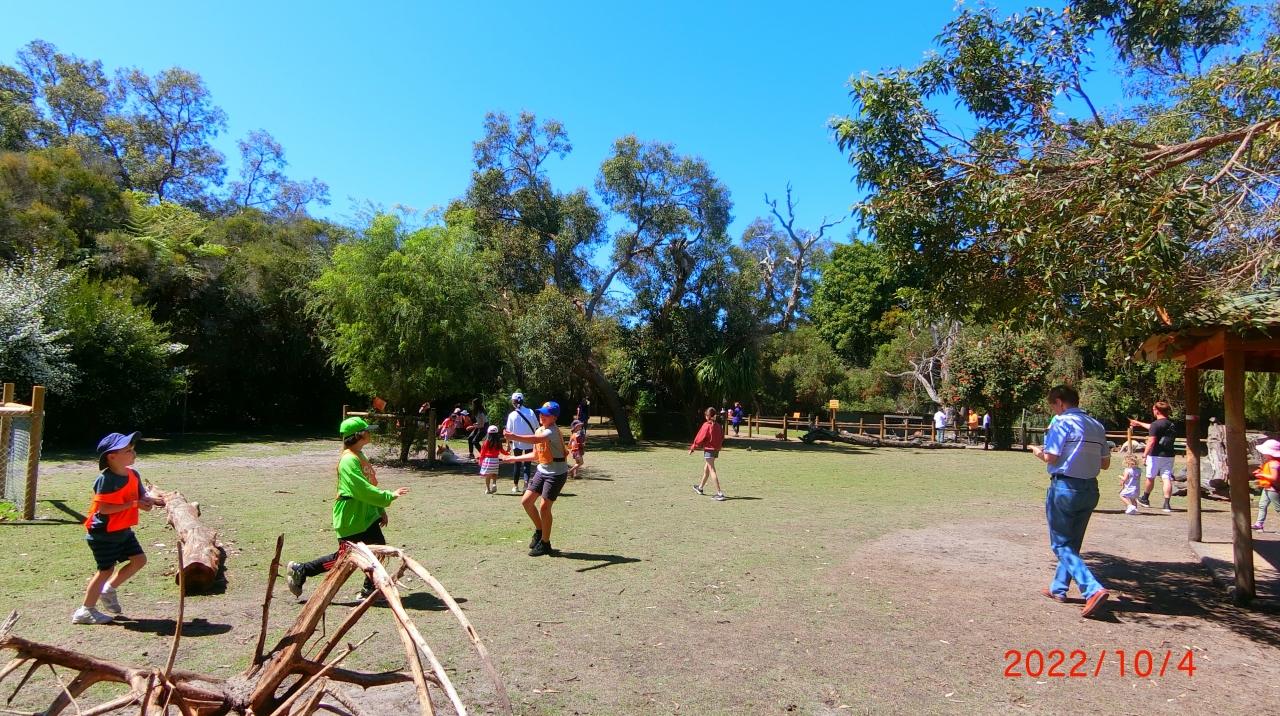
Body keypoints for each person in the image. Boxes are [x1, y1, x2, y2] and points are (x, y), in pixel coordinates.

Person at [287, 417, 409, 600]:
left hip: (366, 515)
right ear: (359, 435)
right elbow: (361, 489)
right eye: (367, 430)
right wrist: (388, 496)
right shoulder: (348, 460)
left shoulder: (360, 455)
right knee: (344, 559)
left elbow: (370, 484)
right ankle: (302, 570)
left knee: (377, 549)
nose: (370, 433)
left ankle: (369, 589)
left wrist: (379, 510)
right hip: (351, 517)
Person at [1030, 385, 1111, 618]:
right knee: (1072, 542)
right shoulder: (1096, 425)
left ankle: (1092, 589)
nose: (1054, 411)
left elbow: (1051, 456)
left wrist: (1038, 452)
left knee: (1060, 544)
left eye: (1053, 406)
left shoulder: (1062, 423)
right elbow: (1105, 463)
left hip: (1065, 487)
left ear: (1060, 402)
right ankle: (1059, 587)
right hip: (1090, 489)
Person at [73, 432, 166, 625]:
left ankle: (108, 589)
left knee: (139, 560)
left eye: (133, 449)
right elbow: (104, 509)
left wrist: (154, 501)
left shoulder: (133, 474)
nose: (134, 453)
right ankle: (85, 611)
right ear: (112, 457)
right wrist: (134, 504)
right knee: (105, 570)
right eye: (128, 450)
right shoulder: (106, 480)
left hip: (123, 530)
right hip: (103, 534)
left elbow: (142, 497)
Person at [503, 401, 571, 556]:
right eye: (541, 413)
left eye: (546, 414)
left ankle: (545, 544)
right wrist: (513, 458)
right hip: (542, 470)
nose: (542, 416)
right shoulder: (540, 429)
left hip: (556, 474)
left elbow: (535, 440)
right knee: (526, 502)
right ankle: (540, 531)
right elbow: (535, 455)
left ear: (554, 418)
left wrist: (513, 436)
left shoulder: (551, 431)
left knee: (544, 507)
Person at [1129, 401, 1178, 513]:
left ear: (1156, 410)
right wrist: (1138, 423)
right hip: (1169, 455)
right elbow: (1153, 427)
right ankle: (1166, 504)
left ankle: (1145, 498)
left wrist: (1145, 454)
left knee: (1150, 477)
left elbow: (1151, 441)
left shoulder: (1156, 424)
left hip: (1155, 455)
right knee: (1166, 478)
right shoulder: (1171, 424)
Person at [690, 406, 727, 501]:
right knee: (706, 469)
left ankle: (719, 493)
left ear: (707, 416)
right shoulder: (718, 426)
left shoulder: (706, 425)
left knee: (712, 470)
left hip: (709, 450)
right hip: (716, 450)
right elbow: (722, 437)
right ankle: (700, 488)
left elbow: (699, 437)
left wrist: (693, 447)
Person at [504, 392, 539, 493]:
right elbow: (536, 426)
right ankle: (526, 485)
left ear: (513, 402)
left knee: (517, 463)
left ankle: (515, 486)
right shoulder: (530, 412)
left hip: (517, 443)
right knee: (527, 464)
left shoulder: (512, 415)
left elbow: (508, 432)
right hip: (530, 441)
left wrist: (508, 444)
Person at [1252, 439, 1280, 531]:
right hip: (1267, 488)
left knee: (1278, 508)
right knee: (1262, 505)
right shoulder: (1269, 463)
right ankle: (1259, 524)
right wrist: (1261, 471)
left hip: (1273, 489)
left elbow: (1274, 477)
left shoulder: (1274, 464)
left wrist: (1262, 475)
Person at [477, 425, 508, 495]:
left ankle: (488, 489)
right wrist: (507, 453)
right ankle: (494, 483)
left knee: (487, 475)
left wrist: (480, 460)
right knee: (494, 473)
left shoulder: (486, 442)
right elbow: (502, 451)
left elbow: (482, 452)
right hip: (495, 460)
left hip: (488, 460)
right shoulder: (498, 442)